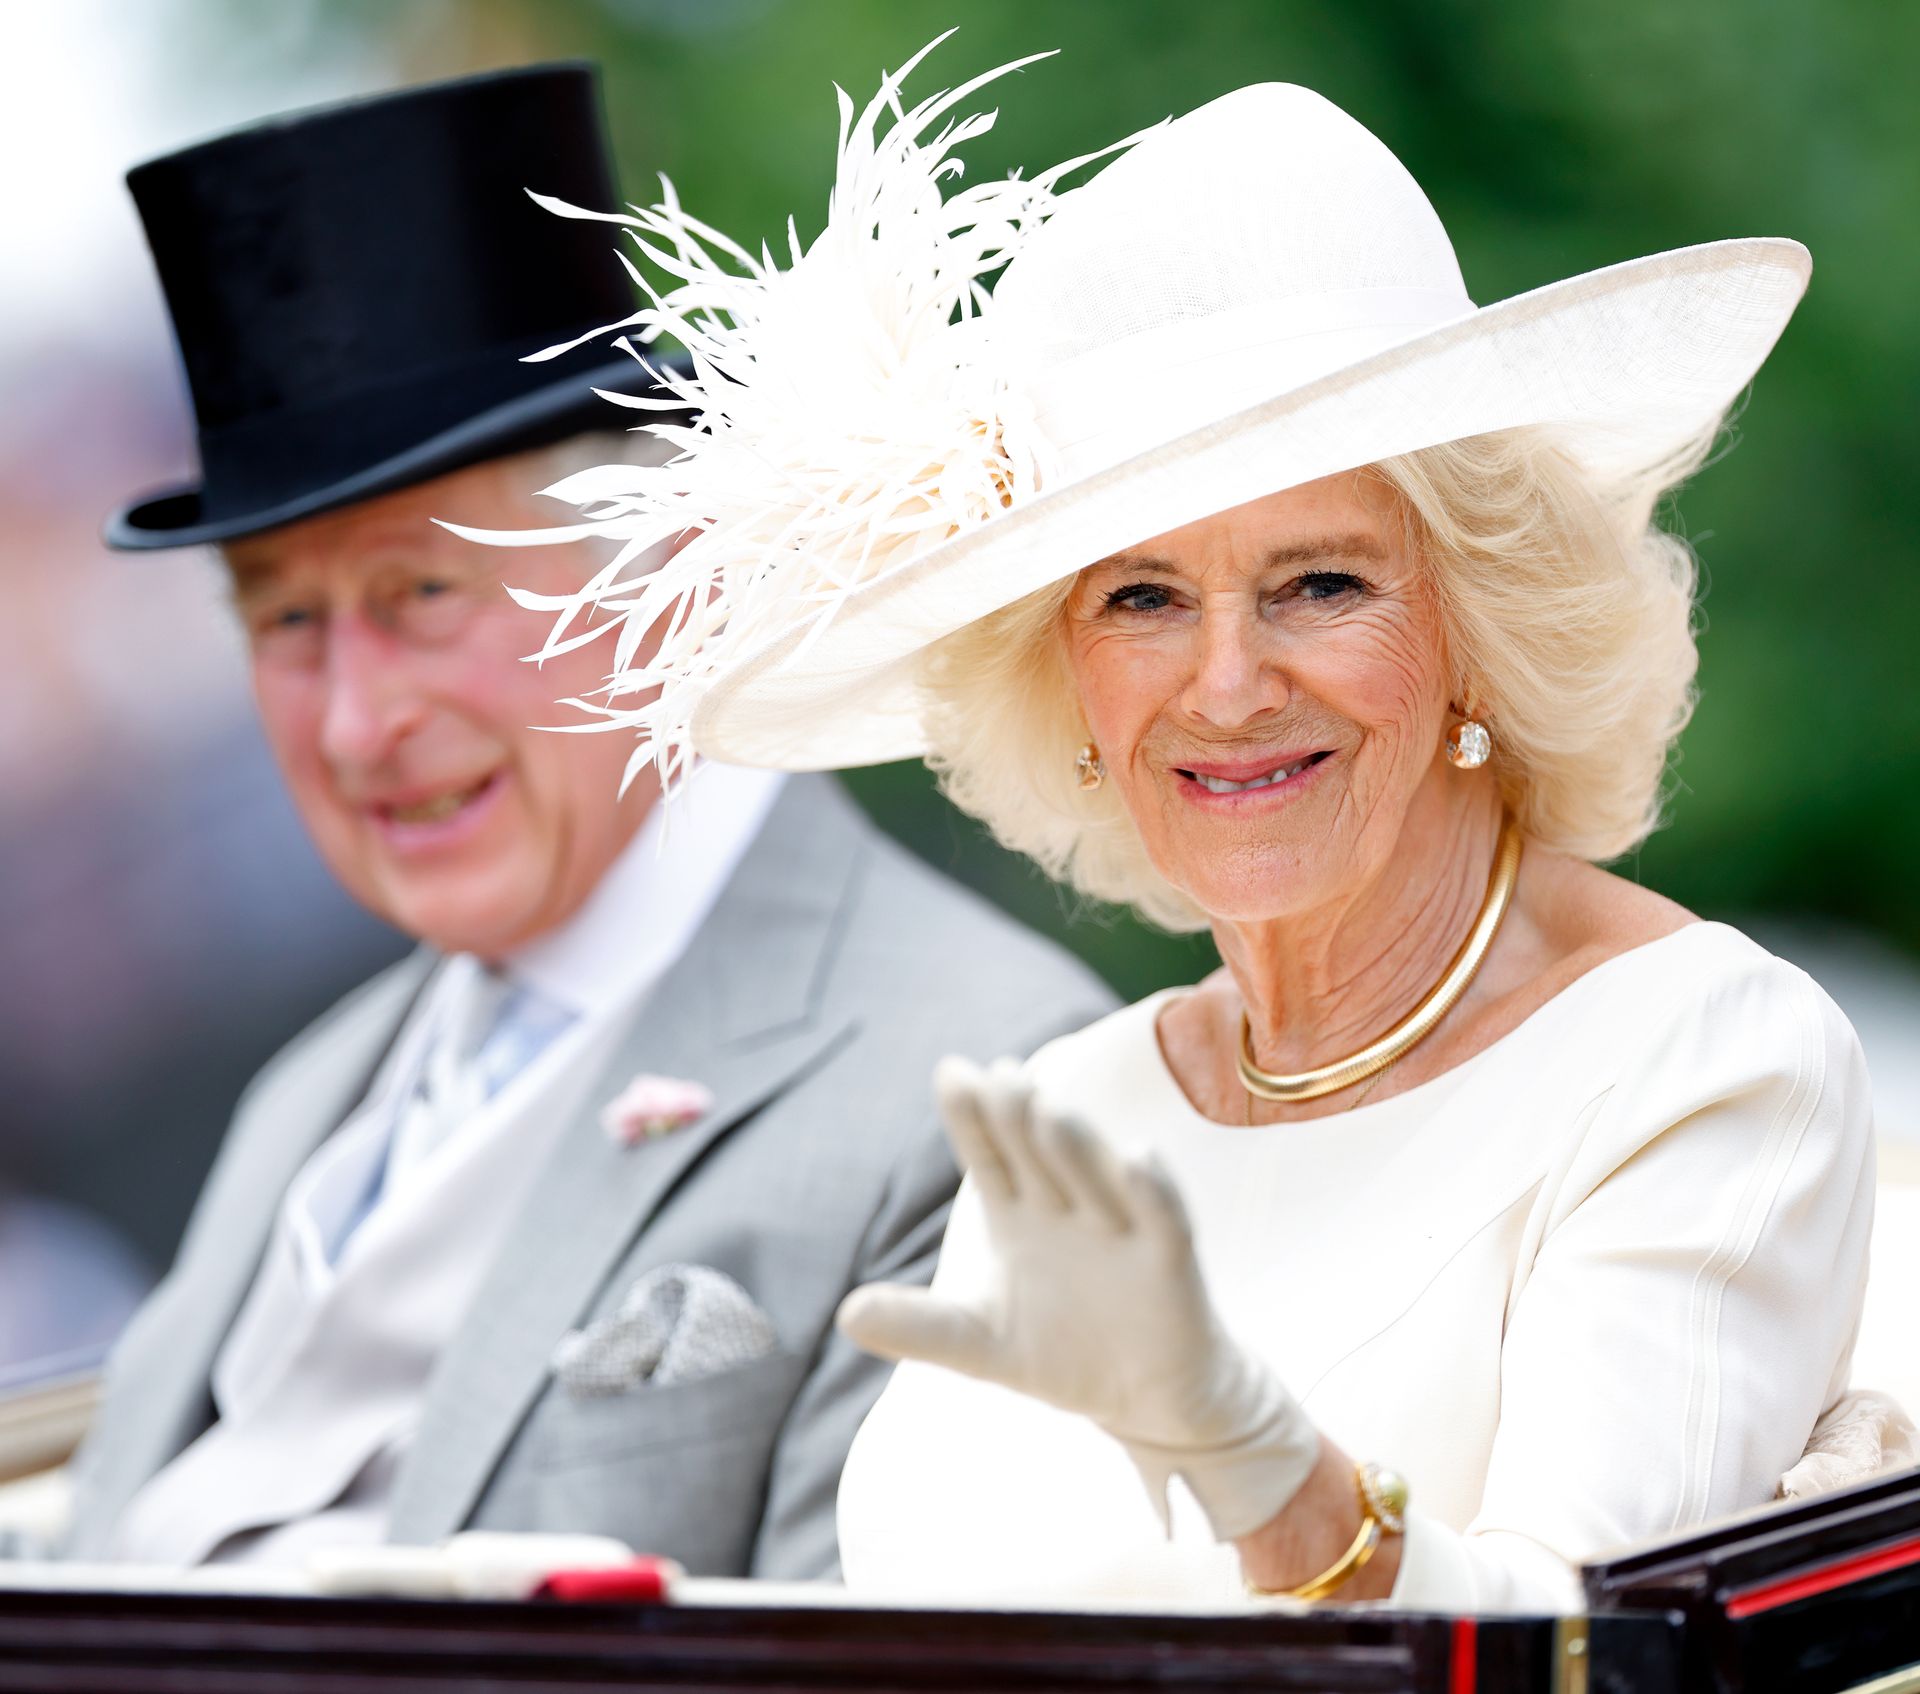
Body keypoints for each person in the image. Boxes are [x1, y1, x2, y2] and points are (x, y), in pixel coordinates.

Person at [505, 45, 1912, 1611]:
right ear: (1070, 689)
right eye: (1142, 598)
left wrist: (1270, 1476)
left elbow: (1582, 1657)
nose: (1228, 684)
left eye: (1321, 581)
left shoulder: (1700, 1051)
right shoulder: (1076, 1107)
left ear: (1477, 631)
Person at [52, 64, 1112, 1578]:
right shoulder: (312, 1098)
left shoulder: (983, 1083)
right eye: (286, 623)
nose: (355, 722)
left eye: (424, 591)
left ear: (664, 571)